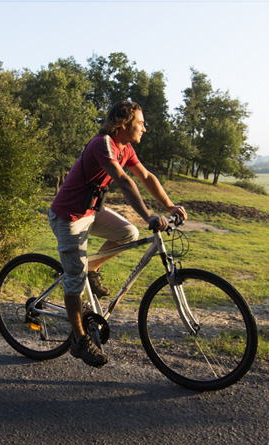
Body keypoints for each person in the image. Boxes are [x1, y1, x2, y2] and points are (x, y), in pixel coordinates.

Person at [49, 100, 187, 368]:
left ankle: (91, 268)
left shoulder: (126, 148)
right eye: (141, 123)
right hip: (69, 217)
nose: (145, 128)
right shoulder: (102, 144)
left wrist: (169, 206)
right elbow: (124, 181)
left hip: (91, 212)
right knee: (74, 281)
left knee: (129, 233)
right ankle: (79, 340)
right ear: (124, 125)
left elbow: (146, 176)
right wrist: (149, 215)